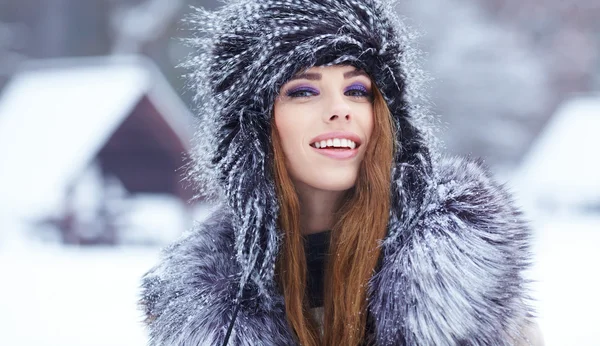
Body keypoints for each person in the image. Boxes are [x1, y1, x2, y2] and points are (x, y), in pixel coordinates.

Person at [139, 0, 544, 345]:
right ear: (253, 125)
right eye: (303, 91)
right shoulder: (200, 307)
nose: (340, 109)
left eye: (357, 91)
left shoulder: (466, 285)